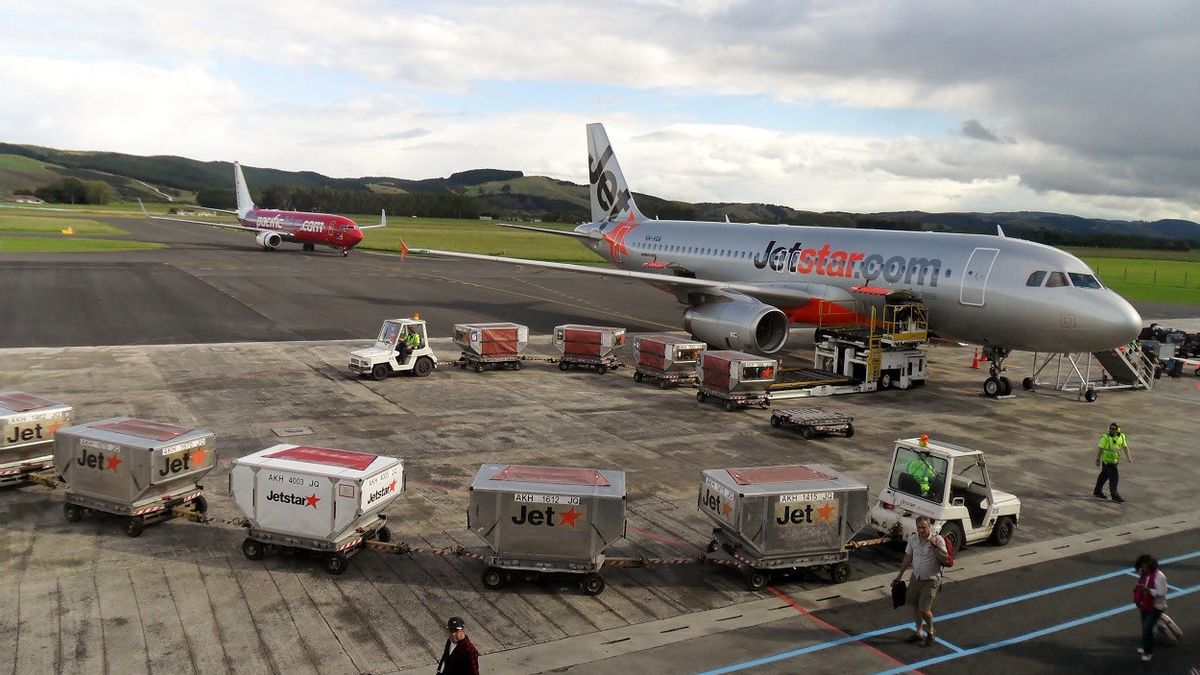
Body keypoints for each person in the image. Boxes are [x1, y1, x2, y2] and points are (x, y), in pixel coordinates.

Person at [891, 515, 950, 647]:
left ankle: (931, 630)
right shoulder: (913, 539)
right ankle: (919, 632)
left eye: (924, 527)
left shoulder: (937, 540)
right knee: (915, 606)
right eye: (919, 527)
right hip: (916, 577)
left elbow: (946, 559)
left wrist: (935, 547)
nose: (921, 530)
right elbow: (908, 556)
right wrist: (900, 574)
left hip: (931, 580)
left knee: (924, 609)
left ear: (929, 526)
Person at [1133, 554, 1167, 662]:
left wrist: (1149, 590)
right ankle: (1145, 645)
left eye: (1145, 567)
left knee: (1148, 627)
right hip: (1145, 604)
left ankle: (1149, 651)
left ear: (1151, 566)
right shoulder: (1145, 574)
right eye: (1141, 567)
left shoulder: (1160, 576)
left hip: (1156, 606)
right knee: (1145, 626)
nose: (1143, 569)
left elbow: (1162, 592)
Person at [1094, 422, 1132, 503]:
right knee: (1114, 477)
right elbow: (1100, 449)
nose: (1111, 430)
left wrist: (1128, 457)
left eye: (1113, 429)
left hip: (1115, 461)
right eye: (1110, 428)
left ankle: (1097, 491)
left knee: (1104, 475)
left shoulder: (1121, 436)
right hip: (1107, 461)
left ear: (1117, 430)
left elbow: (1125, 447)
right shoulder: (1105, 437)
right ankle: (1115, 495)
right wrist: (1097, 459)